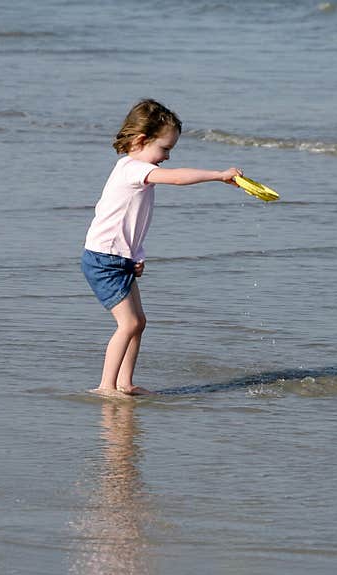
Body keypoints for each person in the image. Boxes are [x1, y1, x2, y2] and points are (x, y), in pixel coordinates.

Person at [81, 99, 242, 397]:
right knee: (128, 323)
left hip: (119, 258)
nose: (166, 157)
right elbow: (178, 178)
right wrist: (219, 175)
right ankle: (106, 386)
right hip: (104, 259)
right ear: (141, 141)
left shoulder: (137, 170)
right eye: (165, 149)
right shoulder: (132, 169)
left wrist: (135, 258)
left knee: (138, 322)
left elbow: (129, 222)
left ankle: (124, 383)